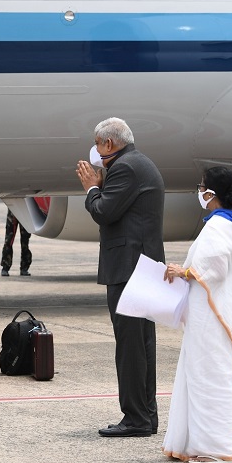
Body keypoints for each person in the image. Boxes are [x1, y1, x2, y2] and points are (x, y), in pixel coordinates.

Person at [76, 117, 165, 437]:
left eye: (98, 144)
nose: (96, 151)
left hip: (129, 267)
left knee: (131, 345)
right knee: (142, 343)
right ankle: (145, 415)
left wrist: (92, 189)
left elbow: (103, 211)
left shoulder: (125, 168)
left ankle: (136, 418)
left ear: (108, 144)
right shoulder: (139, 162)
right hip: (142, 265)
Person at [162, 166, 232, 463]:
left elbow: (215, 268)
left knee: (207, 373)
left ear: (211, 193)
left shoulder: (216, 227)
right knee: (220, 370)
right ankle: (230, 440)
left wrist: (182, 271)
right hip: (220, 310)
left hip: (210, 314)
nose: (199, 191)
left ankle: (215, 447)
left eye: (201, 186)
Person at [0, 208, 32, 276]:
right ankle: (5, 267)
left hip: (25, 210)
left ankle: (24, 268)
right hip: (14, 208)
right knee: (9, 240)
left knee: (25, 242)